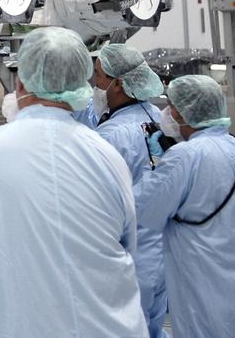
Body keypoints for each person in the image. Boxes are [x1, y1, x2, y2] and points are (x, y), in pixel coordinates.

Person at [0, 27, 148, 337]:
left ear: (21, 83)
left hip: (17, 324)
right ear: (81, 83)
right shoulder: (106, 155)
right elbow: (127, 244)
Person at [134, 75, 235, 338]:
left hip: (210, 300)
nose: (168, 113)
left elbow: (144, 210)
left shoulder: (184, 157)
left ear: (183, 111)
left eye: (172, 106)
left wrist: (153, 163)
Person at [89, 44, 168, 338]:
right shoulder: (160, 119)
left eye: (98, 75)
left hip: (129, 257)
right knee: (153, 328)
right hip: (163, 253)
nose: (94, 84)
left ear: (119, 83)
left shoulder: (111, 136)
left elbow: (96, 205)